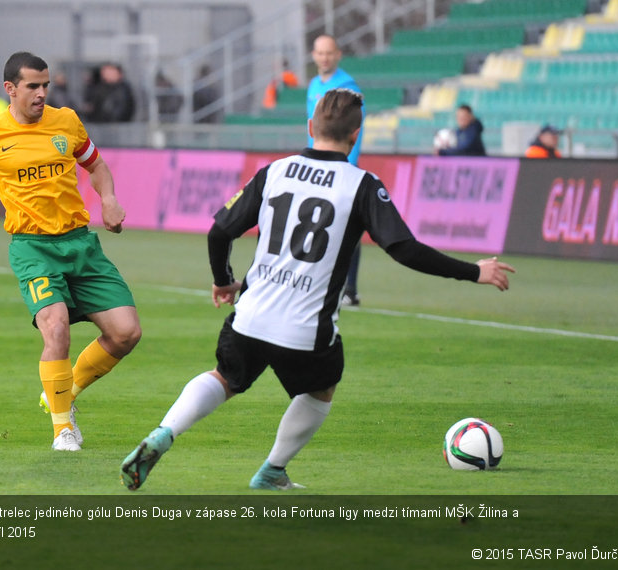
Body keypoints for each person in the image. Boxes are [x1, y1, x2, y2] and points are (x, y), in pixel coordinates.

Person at [121, 88, 515, 491]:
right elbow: (404, 249)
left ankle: (165, 432)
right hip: (305, 330)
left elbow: (219, 230)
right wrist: (473, 271)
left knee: (225, 377)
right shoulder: (362, 185)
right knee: (321, 387)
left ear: (311, 127)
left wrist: (223, 279)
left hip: (250, 316)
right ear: (356, 135)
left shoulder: (275, 170)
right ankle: (272, 471)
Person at [0, 52, 141, 452]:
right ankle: (64, 429)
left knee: (126, 333)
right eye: (33, 86)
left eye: (46, 85)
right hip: (32, 247)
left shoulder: (67, 122)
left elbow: (96, 166)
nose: (42, 93)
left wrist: (109, 199)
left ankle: (63, 392)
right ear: (10, 89)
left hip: (81, 243)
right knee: (56, 327)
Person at [307, 34, 365, 306]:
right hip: (316, 165)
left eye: (329, 53)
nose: (324, 58)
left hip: (339, 167)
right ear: (313, 55)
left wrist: (347, 165)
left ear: (338, 54)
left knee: (346, 227)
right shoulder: (313, 85)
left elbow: (355, 129)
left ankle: (350, 289)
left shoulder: (347, 87)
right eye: (320, 53)